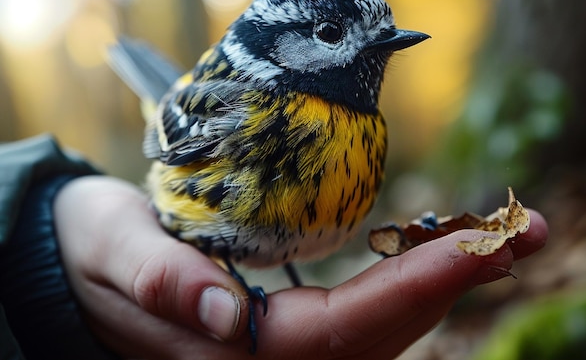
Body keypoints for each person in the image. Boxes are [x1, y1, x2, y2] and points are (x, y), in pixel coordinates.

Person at [0, 135, 548, 360]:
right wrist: (50, 243)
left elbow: (324, 221)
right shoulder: (241, 110)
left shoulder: (366, 131)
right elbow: (166, 146)